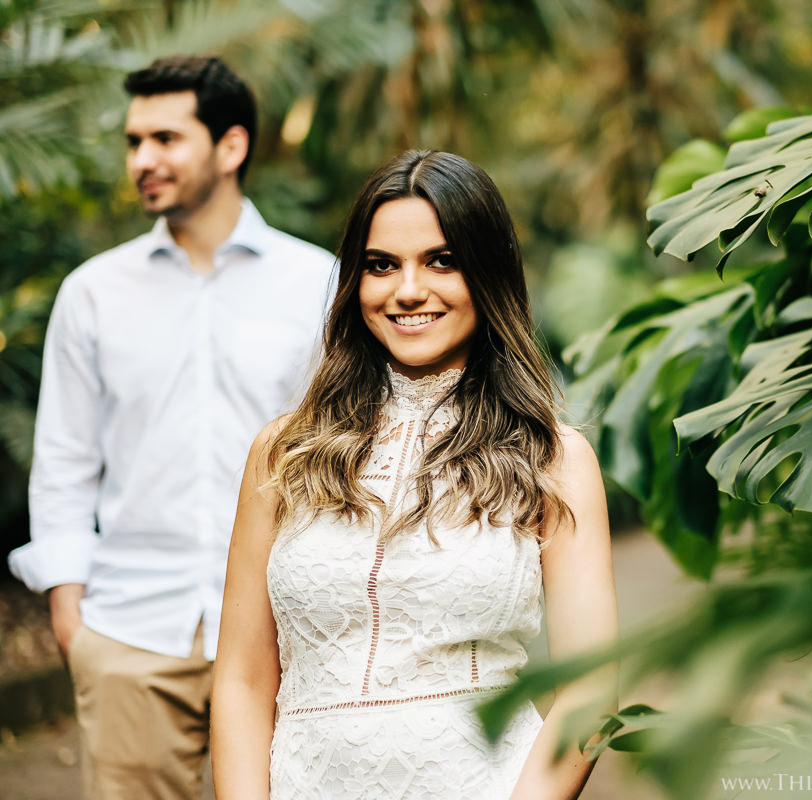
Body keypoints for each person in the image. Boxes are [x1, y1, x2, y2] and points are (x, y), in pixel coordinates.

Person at [210, 149, 619, 799]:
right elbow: (241, 681)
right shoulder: (283, 453)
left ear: (486, 274)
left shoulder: (552, 457)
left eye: (442, 261)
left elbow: (591, 686)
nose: (407, 290)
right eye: (381, 265)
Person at [6, 56, 335, 799]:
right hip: (130, 634)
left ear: (231, 146)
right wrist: (71, 613)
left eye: (164, 137)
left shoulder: (317, 282)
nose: (142, 160)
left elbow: (343, 451)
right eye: (133, 142)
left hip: (288, 632)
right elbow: (63, 459)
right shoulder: (92, 294)